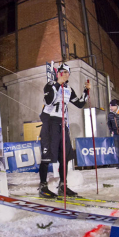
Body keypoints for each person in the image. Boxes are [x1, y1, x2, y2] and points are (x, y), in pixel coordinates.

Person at [38, 64, 90, 198]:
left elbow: (79, 103)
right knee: (47, 157)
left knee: (64, 157)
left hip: (62, 125)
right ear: (58, 73)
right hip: (50, 123)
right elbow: (48, 101)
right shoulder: (50, 85)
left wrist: (86, 91)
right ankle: (43, 187)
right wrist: (57, 84)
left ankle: (63, 186)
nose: (64, 74)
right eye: (61, 72)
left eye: (67, 72)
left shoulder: (68, 89)